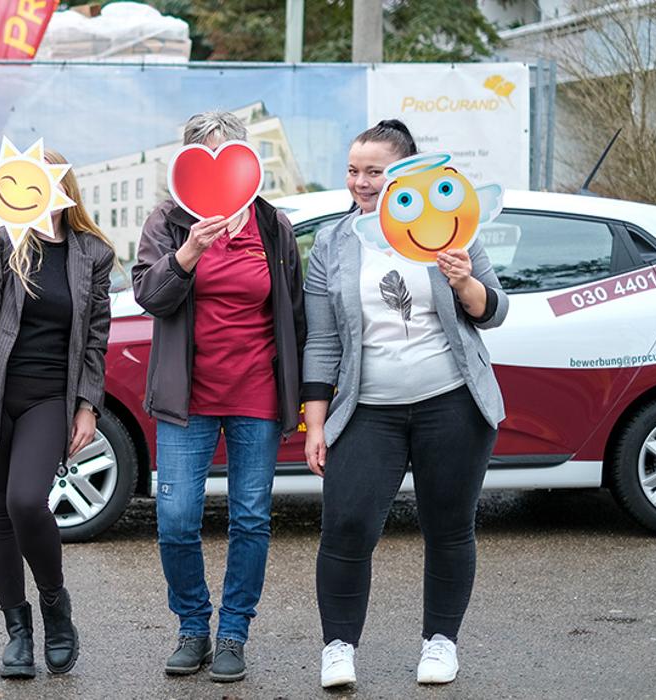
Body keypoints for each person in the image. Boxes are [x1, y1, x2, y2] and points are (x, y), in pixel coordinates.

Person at [302, 119, 509, 689]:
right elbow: (321, 341)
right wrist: (315, 422)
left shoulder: (449, 227)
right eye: (353, 170)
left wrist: (465, 280)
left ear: (404, 174)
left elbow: (494, 310)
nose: (361, 183)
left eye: (374, 171)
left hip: (452, 404)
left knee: (449, 527)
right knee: (346, 526)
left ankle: (441, 642)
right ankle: (338, 647)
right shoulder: (333, 242)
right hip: (368, 409)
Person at [132, 110, 306, 683]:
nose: (221, 169)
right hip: (189, 397)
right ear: (187, 165)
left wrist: (304, 398)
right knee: (176, 518)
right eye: (207, 156)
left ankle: (233, 633)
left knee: (250, 518)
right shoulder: (169, 222)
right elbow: (149, 297)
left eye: (231, 156)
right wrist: (188, 254)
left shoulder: (272, 225)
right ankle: (192, 626)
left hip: (256, 391)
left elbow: (297, 315)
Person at [0, 149, 114, 679]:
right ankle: (18, 629)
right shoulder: (4, 239)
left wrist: (87, 405)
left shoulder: (91, 253)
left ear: (60, 188)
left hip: (47, 398)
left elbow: (96, 338)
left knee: (25, 501)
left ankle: (56, 608)